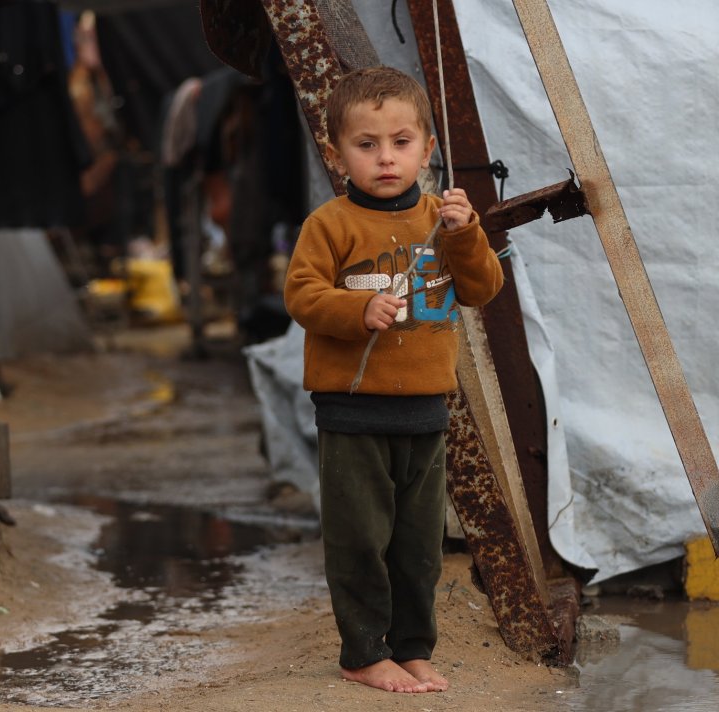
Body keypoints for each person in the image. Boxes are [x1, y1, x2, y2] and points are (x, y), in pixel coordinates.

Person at [283, 66, 503, 694]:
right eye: (367, 145)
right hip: (352, 415)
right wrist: (356, 310)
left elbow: (483, 288)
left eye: (401, 143)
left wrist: (468, 235)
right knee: (359, 540)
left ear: (428, 149)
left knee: (419, 546)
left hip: (426, 412)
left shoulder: (443, 218)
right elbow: (301, 295)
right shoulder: (329, 225)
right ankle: (362, 651)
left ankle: (412, 648)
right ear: (337, 152)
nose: (386, 159)